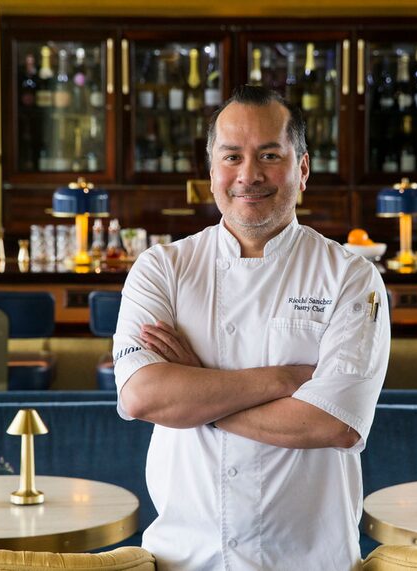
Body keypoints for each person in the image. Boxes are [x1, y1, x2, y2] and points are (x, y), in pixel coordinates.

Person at [113, 85, 390, 571]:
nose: (249, 175)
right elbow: (143, 398)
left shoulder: (351, 277)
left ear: (302, 169)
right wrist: (284, 380)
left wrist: (195, 390)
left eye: (269, 155)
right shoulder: (162, 269)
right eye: (232, 156)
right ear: (211, 172)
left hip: (310, 560)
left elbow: (335, 423)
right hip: (184, 557)